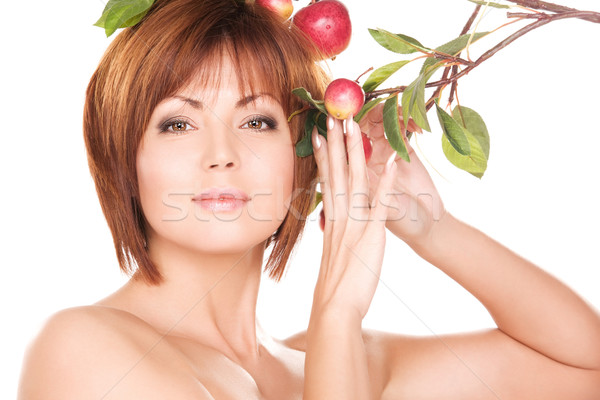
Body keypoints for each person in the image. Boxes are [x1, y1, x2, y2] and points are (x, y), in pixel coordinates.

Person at [17, 0, 600, 398]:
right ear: (123, 155)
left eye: (257, 122)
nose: (221, 153)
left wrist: (431, 227)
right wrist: (337, 313)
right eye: (177, 123)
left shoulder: (323, 357)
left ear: (305, 159)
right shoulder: (84, 350)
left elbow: (582, 370)